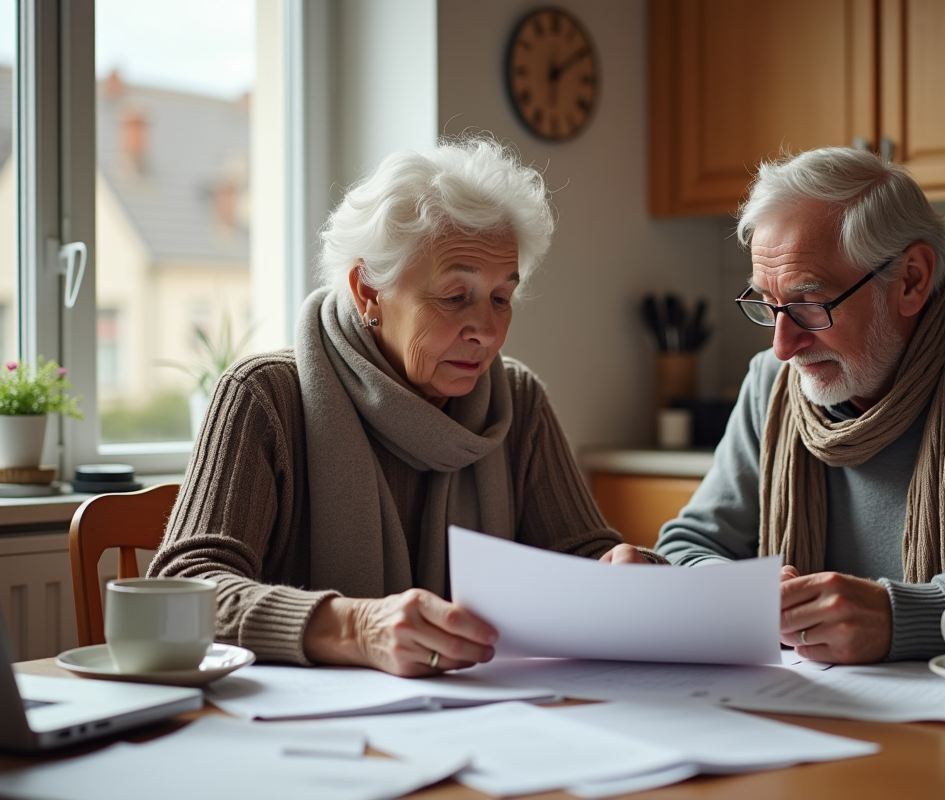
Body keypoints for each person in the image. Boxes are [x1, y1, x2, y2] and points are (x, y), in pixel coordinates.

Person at [606, 146, 945, 666]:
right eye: (768, 305)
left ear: (911, 280)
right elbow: (690, 542)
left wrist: (901, 618)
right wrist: (717, 585)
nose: (782, 346)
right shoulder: (770, 385)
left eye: (810, 304)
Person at [149, 137, 624, 676]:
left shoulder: (517, 400)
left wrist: (624, 571)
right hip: (308, 720)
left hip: (482, 711)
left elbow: (587, 556)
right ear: (368, 290)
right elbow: (182, 590)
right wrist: (356, 626)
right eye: (455, 297)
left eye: (500, 298)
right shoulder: (264, 396)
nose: (488, 332)